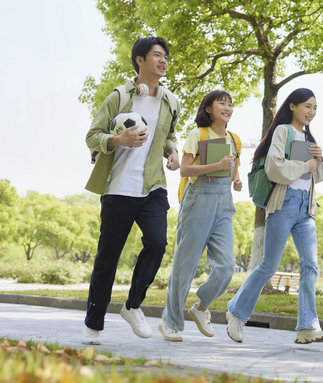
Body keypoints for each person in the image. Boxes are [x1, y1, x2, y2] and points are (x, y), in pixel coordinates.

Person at [82, 36, 180, 345]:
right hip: (118, 188)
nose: (162, 61)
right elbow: (92, 136)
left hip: (153, 186)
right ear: (140, 60)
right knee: (107, 257)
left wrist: (173, 151)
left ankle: (133, 304)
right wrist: (118, 141)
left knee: (158, 242)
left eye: (165, 56)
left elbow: (168, 135)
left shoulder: (170, 101)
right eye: (156, 55)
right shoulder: (119, 97)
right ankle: (93, 325)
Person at [225, 88, 323, 344]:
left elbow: (320, 175)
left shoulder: (308, 136)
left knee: (310, 265)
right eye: (307, 106)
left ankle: (307, 327)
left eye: (314, 108)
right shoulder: (283, 131)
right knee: (269, 265)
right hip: (284, 204)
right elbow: (273, 168)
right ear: (292, 106)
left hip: (306, 208)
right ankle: (236, 313)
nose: (311, 112)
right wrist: (306, 165)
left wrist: (319, 160)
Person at [158, 90, 242, 341]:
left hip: (224, 203)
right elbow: (184, 169)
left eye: (230, 104)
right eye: (221, 103)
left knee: (227, 266)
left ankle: (200, 307)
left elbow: (233, 171)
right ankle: (170, 321)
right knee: (185, 265)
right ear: (208, 109)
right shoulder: (199, 134)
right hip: (198, 201)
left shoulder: (234, 139)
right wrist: (215, 166)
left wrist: (236, 181)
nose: (227, 107)